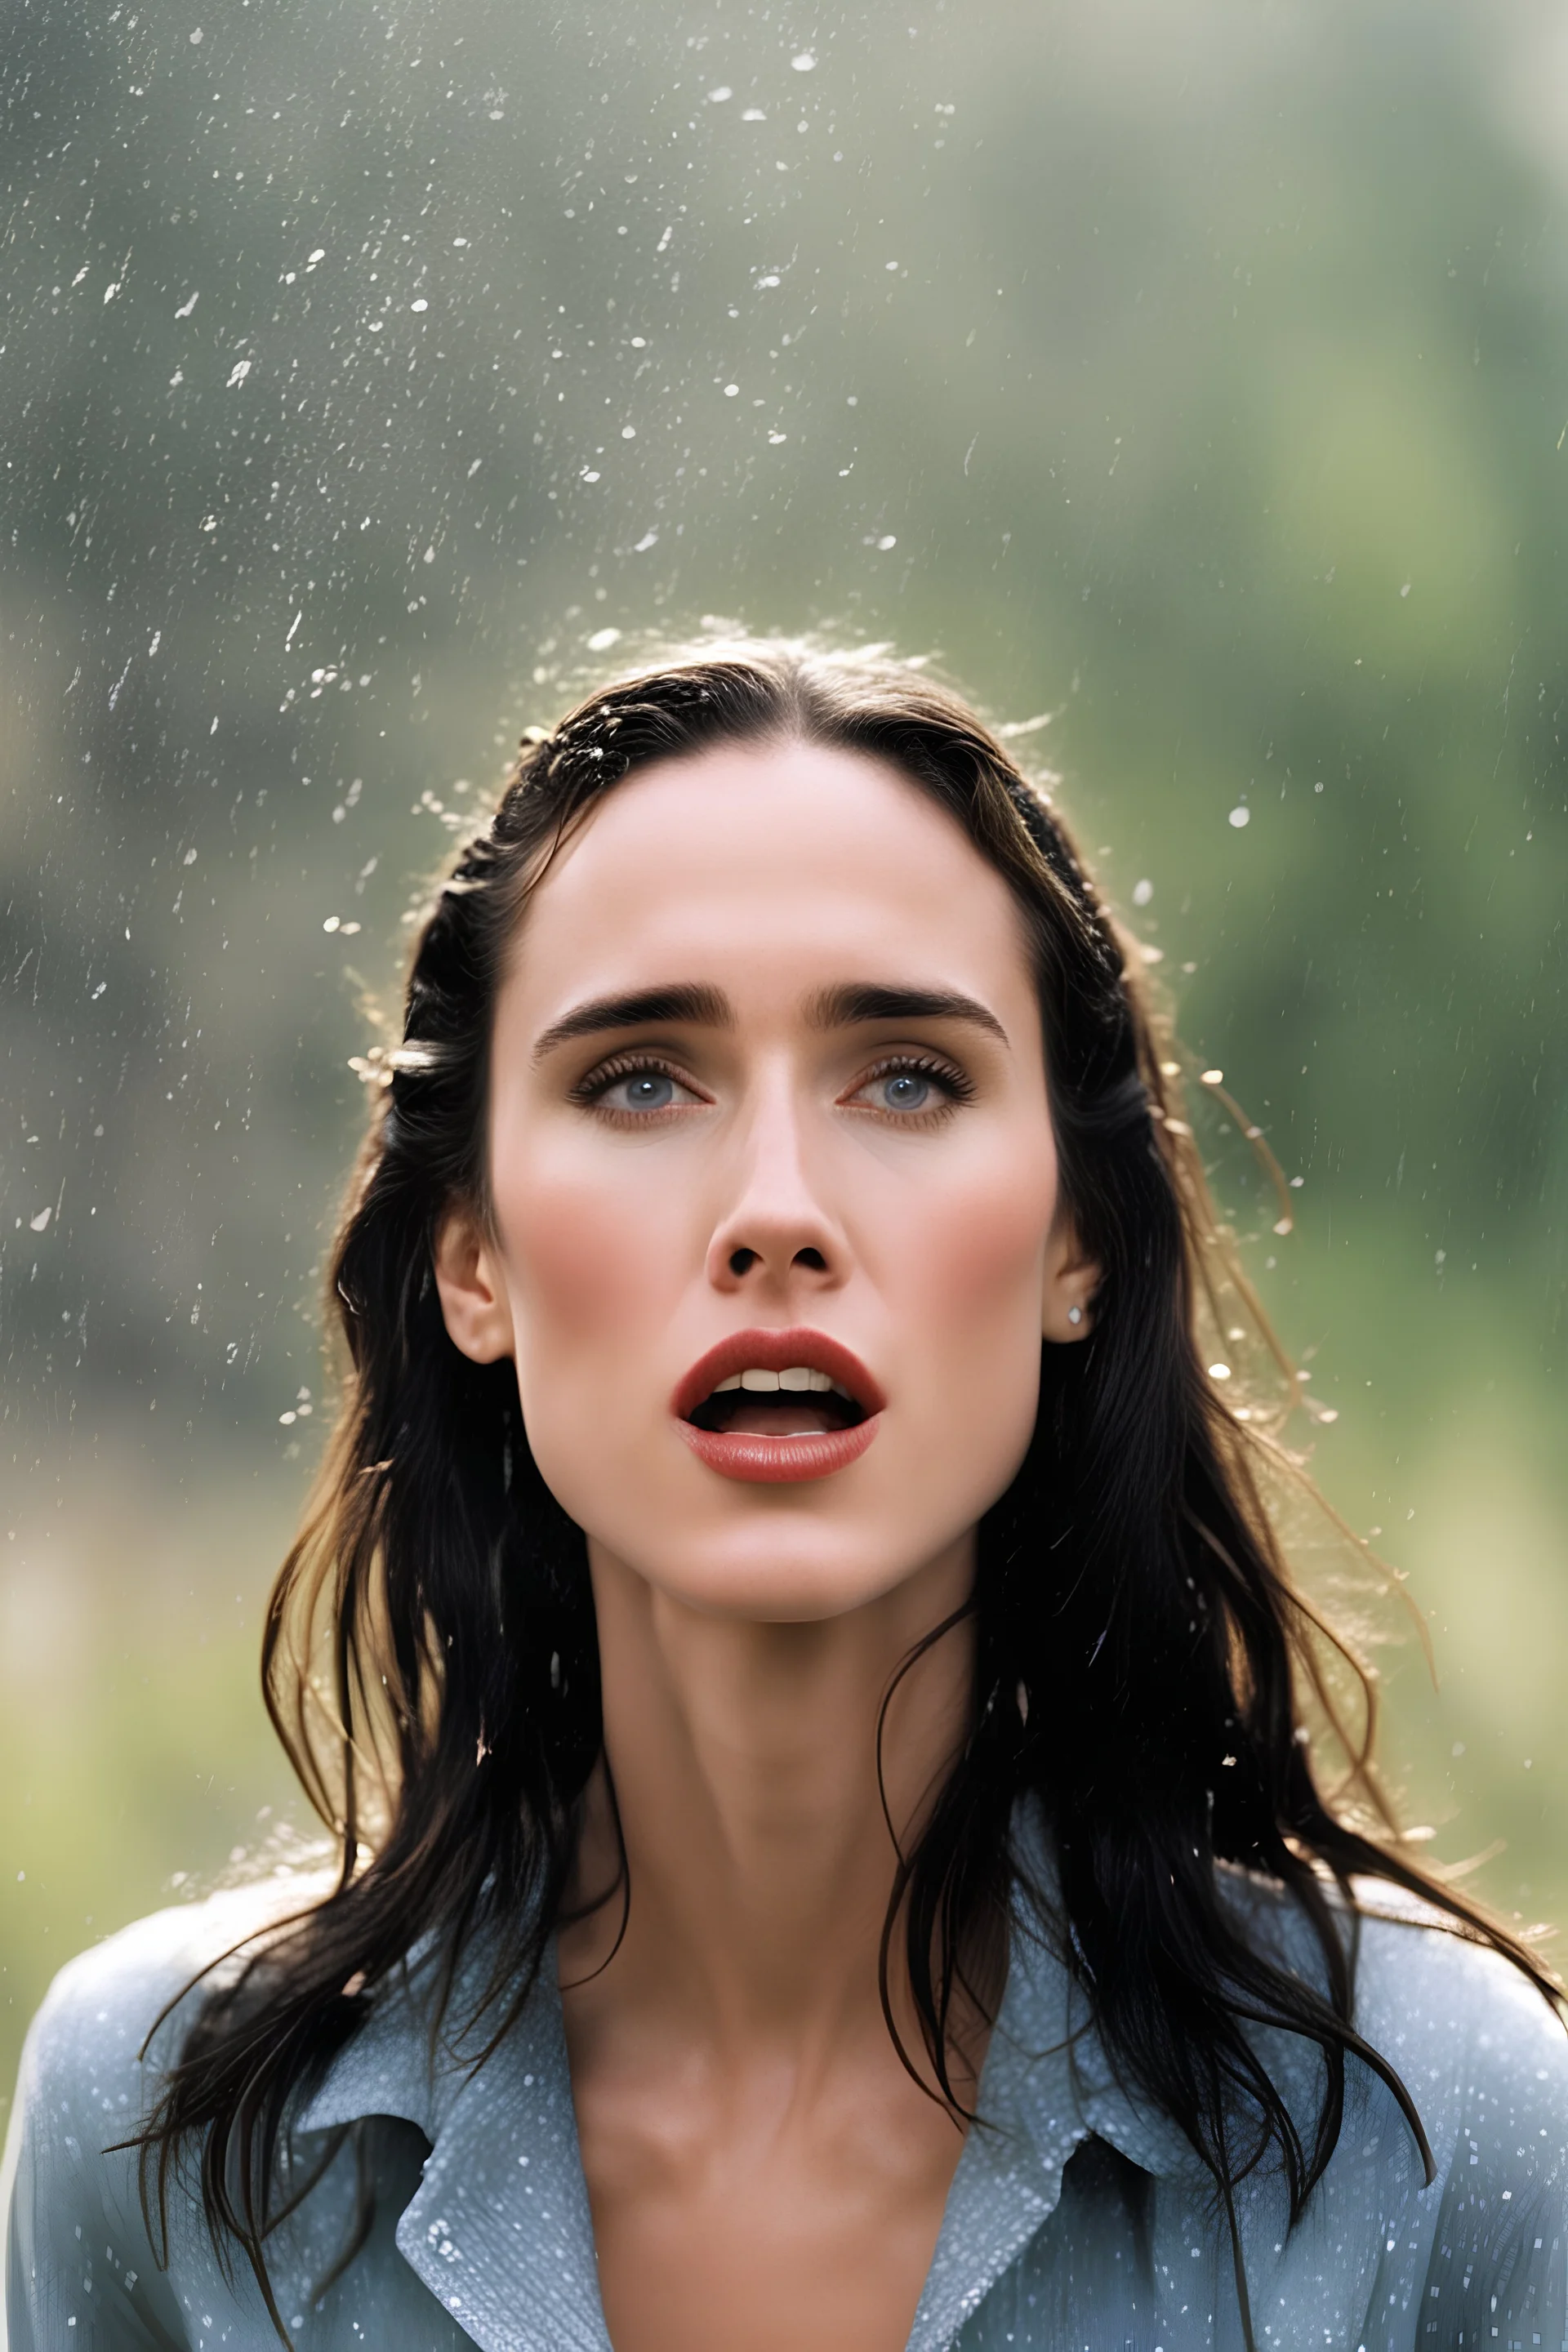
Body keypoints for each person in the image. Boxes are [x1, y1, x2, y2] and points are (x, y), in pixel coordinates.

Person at [4, 640, 1565, 2352]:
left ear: (1076, 1245)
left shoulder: (1439, 2148)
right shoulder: (162, 2151)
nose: (776, 1208)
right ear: (473, 1257)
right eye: (640, 1079)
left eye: (907, 1076)